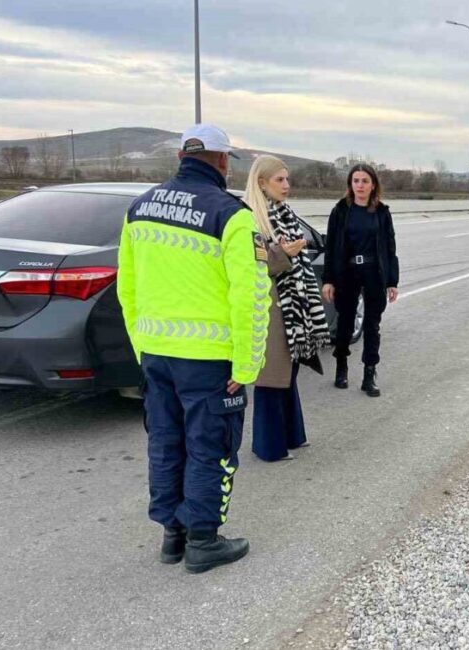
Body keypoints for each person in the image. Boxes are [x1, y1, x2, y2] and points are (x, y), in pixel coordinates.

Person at [117, 123, 271, 574]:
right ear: (223, 161)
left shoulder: (139, 208)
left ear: (181, 157)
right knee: (210, 447)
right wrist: (247, 364)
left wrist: (142, 347)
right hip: (208, 359)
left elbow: (127, 287)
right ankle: (203, 540)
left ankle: (172, 536)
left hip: (156, 353)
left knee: (166, 443)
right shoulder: (231, 215)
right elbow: (250, 296)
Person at [243, 155, 331, 462]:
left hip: (292, 308)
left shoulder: (284, 213)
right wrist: (284, 253)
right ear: (261, 182)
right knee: (272, 378)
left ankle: (292, 435)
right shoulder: (251, 218)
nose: (286, 185)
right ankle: (268, 447)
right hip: (269, 309)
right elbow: (253, 267)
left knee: (288, 373)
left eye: (287, 179)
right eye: (279, 179)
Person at [321, 164, 399, 397]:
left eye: (365, 181)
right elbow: (331, 247)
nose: (360, 185)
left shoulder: (382, 212)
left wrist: (392, 281)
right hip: (347, 272)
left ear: (373, 185)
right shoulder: (340, 211)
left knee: (372, 325)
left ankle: (369, 374)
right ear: (350, 184)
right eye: (356, 181)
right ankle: (341, 367)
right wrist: (328, 279)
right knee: (345, 322)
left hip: (374, 272)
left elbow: (390, 248)